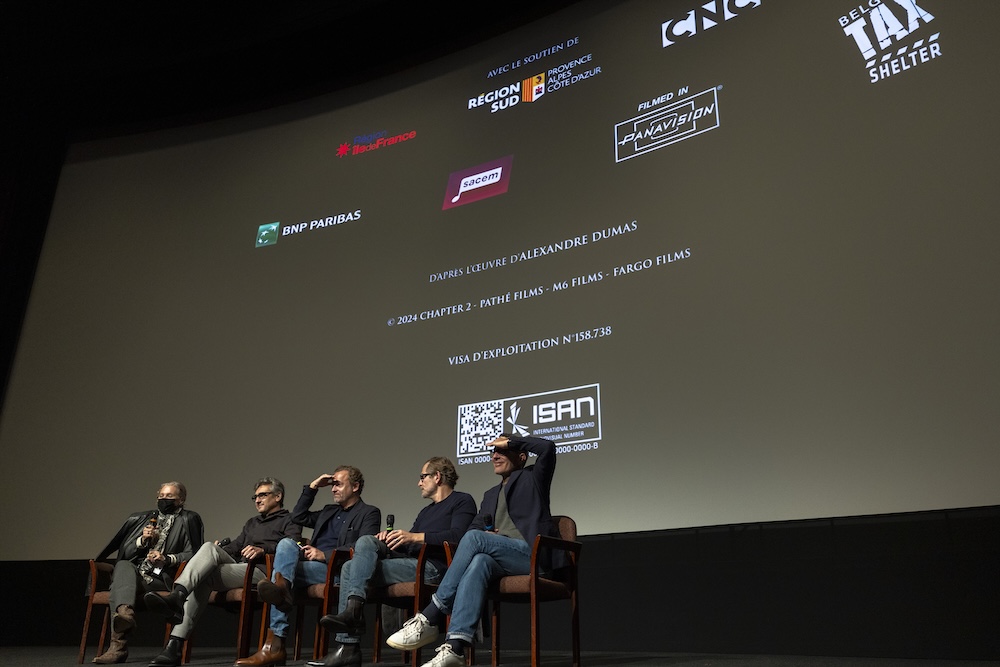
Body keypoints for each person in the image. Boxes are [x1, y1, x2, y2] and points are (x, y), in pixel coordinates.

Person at [385, 434, 561, 667]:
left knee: (476, 541)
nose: (495, 455)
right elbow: (473, 530)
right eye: (493, 451)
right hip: (502, 559)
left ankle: (431, 614)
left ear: (521, 456)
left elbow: (547, 447)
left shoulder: (534, 477)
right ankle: (455, 648)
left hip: (533, 557)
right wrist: (487, 536)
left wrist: (511, 441)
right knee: (479, 561)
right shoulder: (490, 495)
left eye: (501, 451)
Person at [310, 456, 478, 667]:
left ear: (437, 477)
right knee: (358, 554)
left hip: (434, 568)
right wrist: (392, 540)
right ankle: (349, 639)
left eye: (422, 477)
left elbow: (459, 536)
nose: (419, 483)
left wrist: (414, 537)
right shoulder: (426, 511)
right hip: (412, 563)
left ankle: (350, 637)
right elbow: (410, 546)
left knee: (352, 564)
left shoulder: (462, 500)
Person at [143, 477, 302, 666]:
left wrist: (263, 549)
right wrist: (221, 549)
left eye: (263, 495)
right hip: (241, 568)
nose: (258, 500)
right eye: (255, 497)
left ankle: (175, 632)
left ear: (278, 496)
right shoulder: (252, 523)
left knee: (203, 575)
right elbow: (235, 547)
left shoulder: (290, 520)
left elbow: (293, 545)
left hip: (263, 573)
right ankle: (175, 632)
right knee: (209, 550)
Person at [236, 466, 381, 667]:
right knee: (286, 544)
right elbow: (297, 517)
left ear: (355, 486)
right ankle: (281, 597)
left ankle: (276, 641)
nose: (333, 489)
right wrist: (312, 488)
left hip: (336, 570)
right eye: (332, 485)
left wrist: (324, 555)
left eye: (338, 484)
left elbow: (363, 547)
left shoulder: (369, 512)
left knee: (279, 576)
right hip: (311, 567)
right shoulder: (329, 511)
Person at [92, 481, 204, 664]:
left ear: (181, 499)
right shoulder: (143, 519)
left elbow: (195, 554)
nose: (164, 499)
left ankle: (117, 647)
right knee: (123, 566)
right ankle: (125, 614)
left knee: (120, 587)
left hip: (163, 577)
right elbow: (126, 554)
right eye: (161, 496)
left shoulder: (188, 519)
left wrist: (167, 558)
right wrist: (142, 540)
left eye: (170, 496)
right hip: (136, 574)